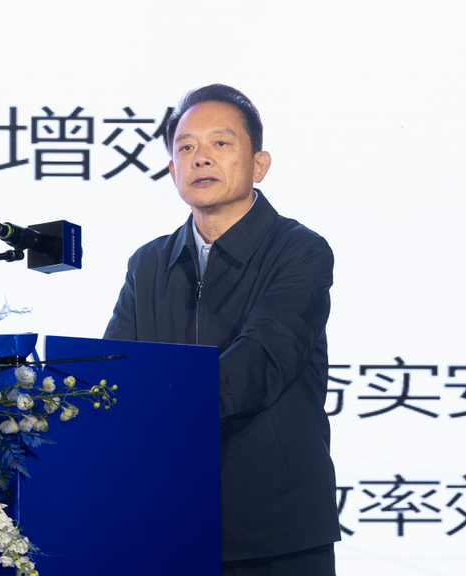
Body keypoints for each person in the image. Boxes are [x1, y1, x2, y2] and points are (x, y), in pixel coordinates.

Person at [103, 84, 340, 575]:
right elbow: (113, 373)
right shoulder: (148, 263)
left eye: (220, 143)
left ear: (259, 164)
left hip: (274, 533)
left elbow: (262, 360)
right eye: (186, 147)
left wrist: (160, 404)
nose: (200, 158)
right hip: (165, 524)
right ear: (171, 170)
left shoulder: (300, 252)